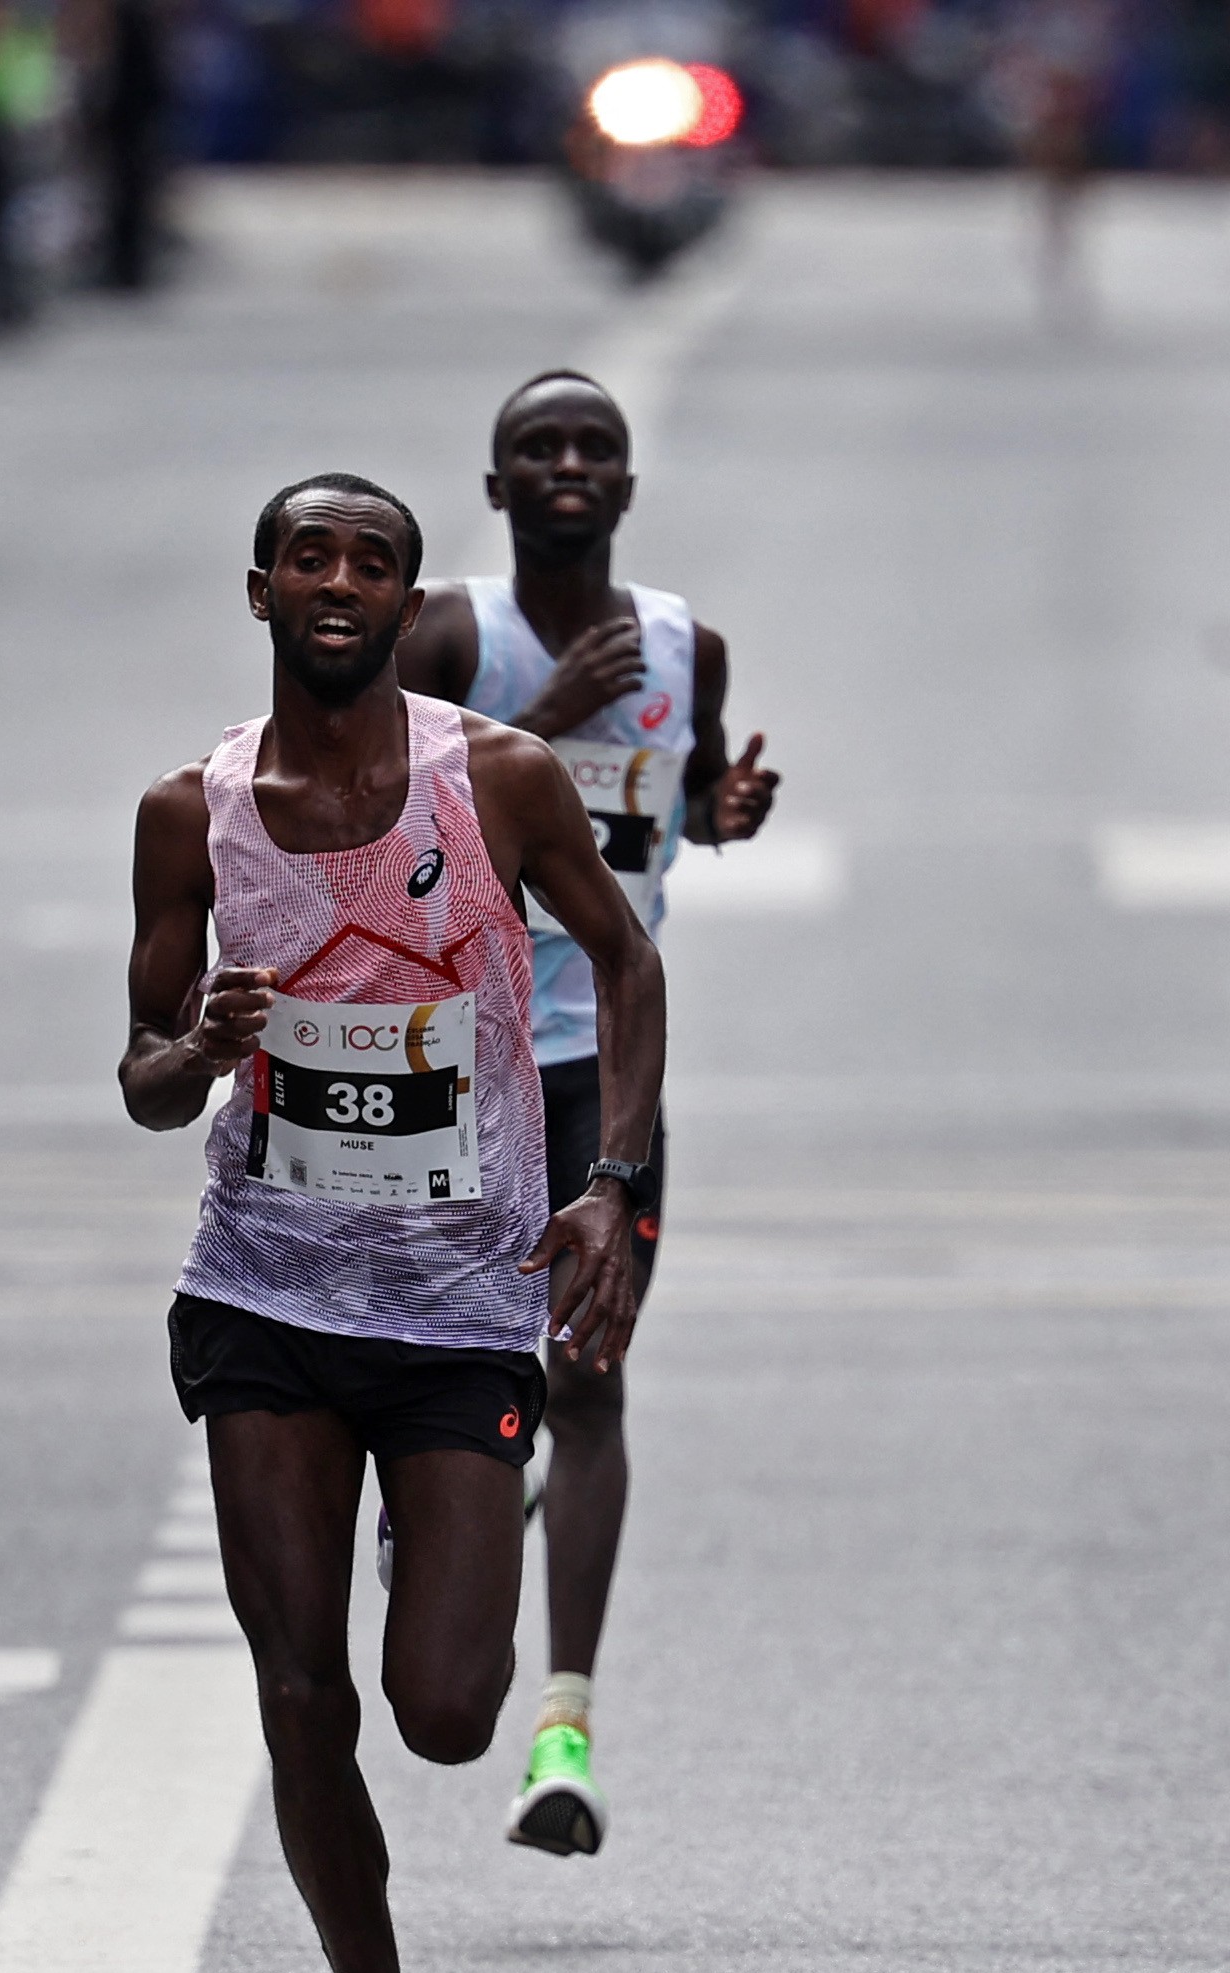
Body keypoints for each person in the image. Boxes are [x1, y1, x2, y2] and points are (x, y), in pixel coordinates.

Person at [122, 474, 665, 1973]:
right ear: (263, 586)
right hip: (266, 1295)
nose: (339, 582)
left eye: (374, 562)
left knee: (441, 1708)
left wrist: (610, 1186)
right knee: (300, 1695)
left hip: (454, 1310)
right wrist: (200, 1051)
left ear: (406, 596)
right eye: (310, 556)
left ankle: (438, 1541)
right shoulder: (186, 811)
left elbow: (626, 965)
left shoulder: (489, 776)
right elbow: (142, 1085)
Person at [395, 369, 778, 1862]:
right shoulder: (447, 636)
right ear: (495, 490)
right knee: (442, 1369)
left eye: (593, 449)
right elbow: (387, 833)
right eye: (536, 450)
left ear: (628, 483)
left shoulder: (691, 648)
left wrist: (721, 814)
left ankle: (566, 1724)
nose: (567, 466)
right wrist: (535, 722)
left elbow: (673, 817)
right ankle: (427, 1521)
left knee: (589, 1381)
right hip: (446, 1064)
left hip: (600, 1068)